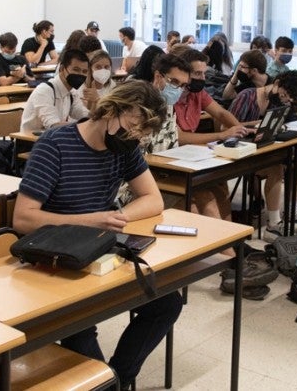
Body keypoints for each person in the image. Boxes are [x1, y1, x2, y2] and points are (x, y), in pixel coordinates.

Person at [14, 81, 176, 391]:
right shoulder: (56, 144)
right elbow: (23, 218)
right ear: (111, 110)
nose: (134, 137)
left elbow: (153, 199)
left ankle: (118, 377)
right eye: (131, 126)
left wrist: (116, 218)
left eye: (141, 133)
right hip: (55, 257)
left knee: (166, 303)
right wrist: (91, 220)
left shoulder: (123, 146)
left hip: (98, 247)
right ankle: (108, 384)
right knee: (80, 326)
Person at [174, 48, 252, 220]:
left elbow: (221, 113)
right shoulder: (171, 97)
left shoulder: (197, 93)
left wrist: (240, 129)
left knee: (220, 184)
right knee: (205, 196)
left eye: (204, 73)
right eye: (197, 73)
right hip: (174, 161)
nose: (202, 78)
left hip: (192, 156)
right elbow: (179, 137)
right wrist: (221, 135)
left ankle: (228, 235)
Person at [229, 70, 297, 235]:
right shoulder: (247, 96)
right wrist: (256, 124)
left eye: (288, 99)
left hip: (262, 148)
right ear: (276, 84)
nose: (284, 100)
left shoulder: (278, 102)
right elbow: (226, 128)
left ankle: (288, 211)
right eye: (284, 95)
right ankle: (274, 222)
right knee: (276, 168)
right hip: (239, 150)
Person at [21, 48, 90, 133]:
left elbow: (84, 116)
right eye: (76, 69)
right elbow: (54, 126)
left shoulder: (72, 93)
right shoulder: (44, 91)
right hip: (31, 143)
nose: (80, 74)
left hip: (53, 141)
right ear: (61, 69)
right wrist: (83, 125)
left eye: (84, 71)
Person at [81, 49, 117, 114]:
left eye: (106, 67)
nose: (103, 70)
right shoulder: (81, 86)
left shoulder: (111, 85)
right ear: (90, 68)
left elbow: (112, 110)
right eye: (98, 67)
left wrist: (97, 99)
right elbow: (84, 115)